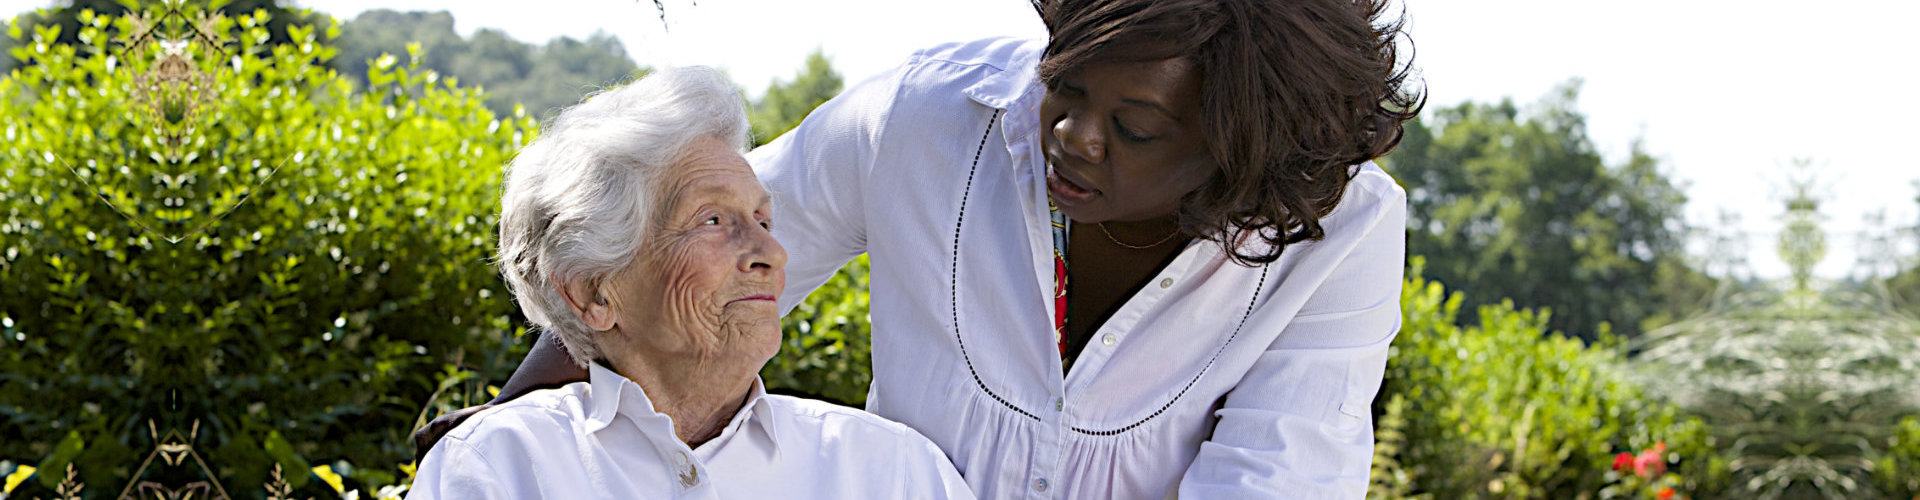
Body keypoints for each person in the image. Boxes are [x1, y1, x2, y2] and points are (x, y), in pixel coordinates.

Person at [417, 0, 1423, 497]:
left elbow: (1273, 480)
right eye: (1065, 89)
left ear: (1236, 140)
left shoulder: (1342, 237)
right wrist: (505, 425)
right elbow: (668, 267)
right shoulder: (926, 118)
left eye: (1136, 127)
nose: (1072, 137)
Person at [405, 66, 973, 500]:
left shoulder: (892, 471)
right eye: (712, 221)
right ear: (594, 292)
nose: (771, 254)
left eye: (764, 221)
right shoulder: (496, 468)